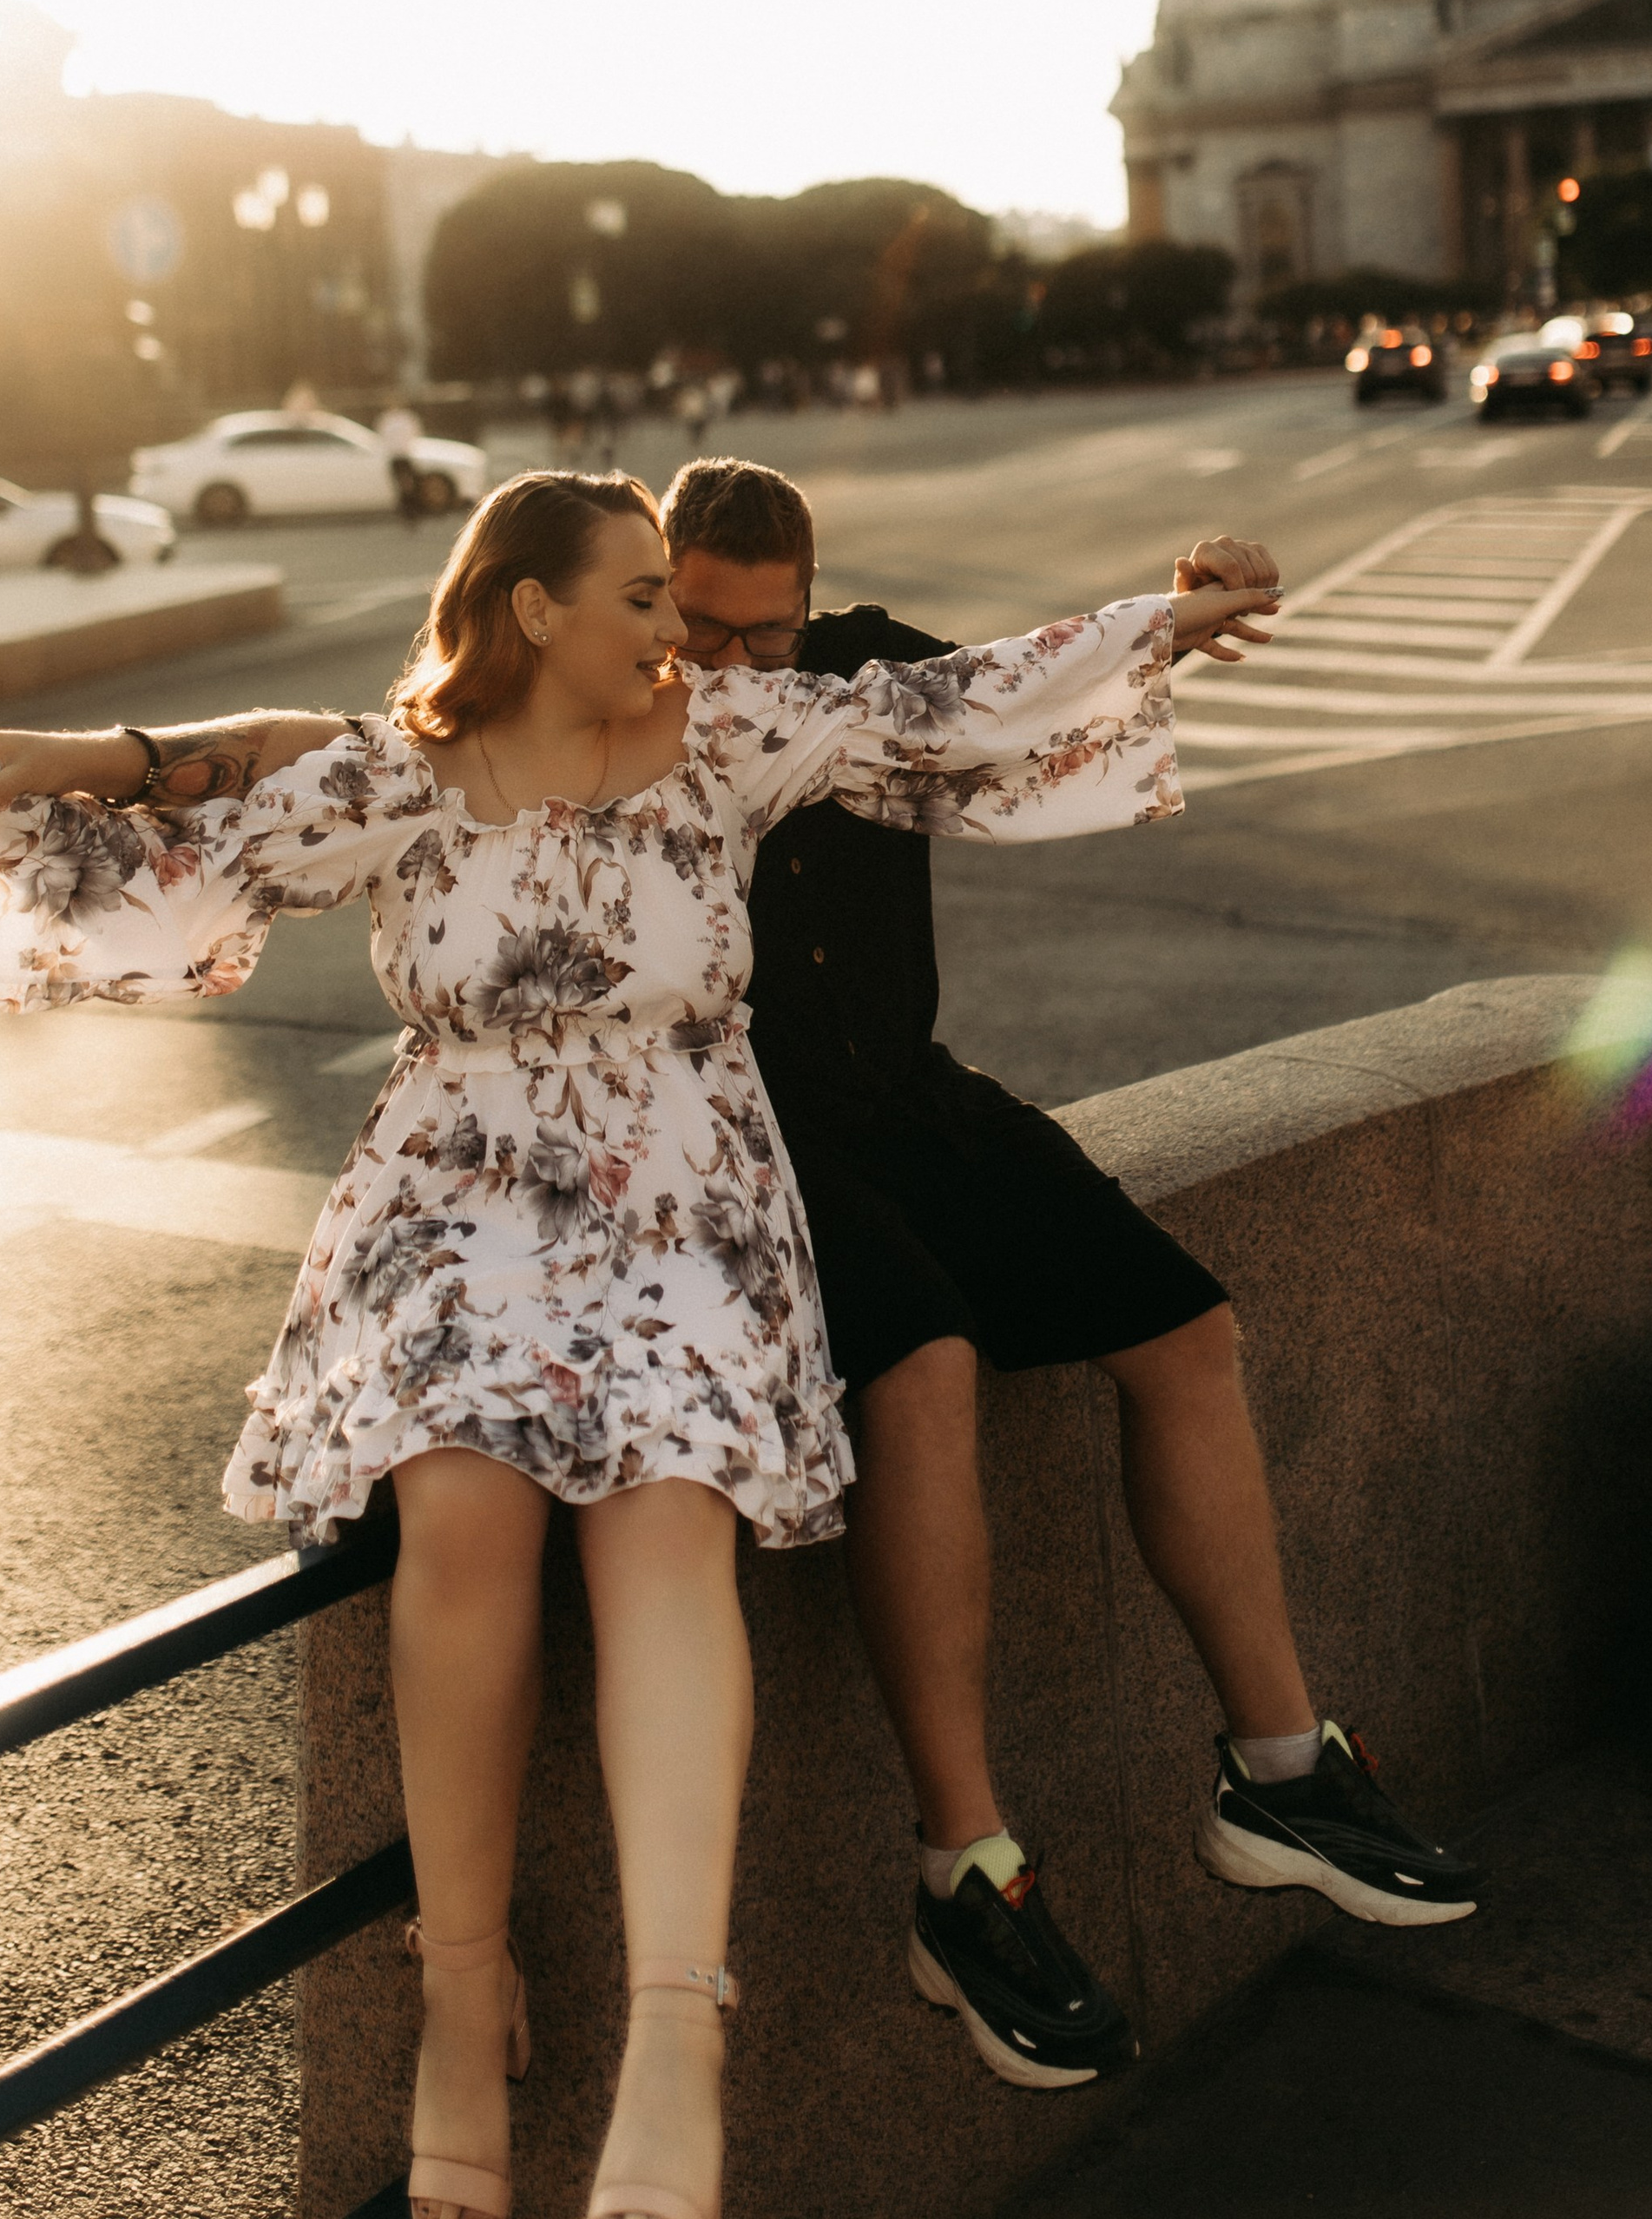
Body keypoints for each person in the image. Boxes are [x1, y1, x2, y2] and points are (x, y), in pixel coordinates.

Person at [0, 471, 1273, 2219]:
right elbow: (189, 855)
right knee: (463, 1514)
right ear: (534, 608)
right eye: (641, 596)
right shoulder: (402, 771)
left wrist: (1170, 621)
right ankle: (460, 1999)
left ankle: (675, 2033)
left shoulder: (724, 738)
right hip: (457, 1205)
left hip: (684, 1201)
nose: (675, 629)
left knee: (666, 1522)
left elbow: (945, 710)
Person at [655, 459, 1479, 2089]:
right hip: (749, 1135)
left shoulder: (868, 669)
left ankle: (1282, 1771)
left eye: (768, 633)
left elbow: (1025, 688)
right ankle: (964, 1868)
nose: (735, 667)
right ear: (656, 593)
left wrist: (1170, 612)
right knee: (925, 1361)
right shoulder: (620, 703)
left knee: (1185, 1322)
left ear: (812, 600)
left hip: (912, 1096)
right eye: (701, 630)